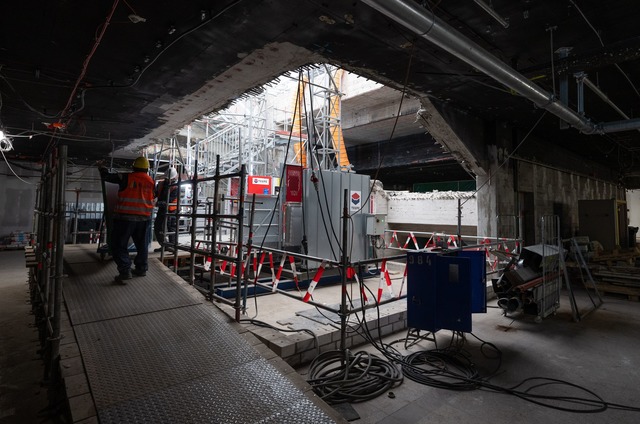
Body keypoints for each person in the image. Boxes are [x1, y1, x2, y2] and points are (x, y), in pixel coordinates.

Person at [99, 156, 155, 283]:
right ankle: (141, 269)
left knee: (118, 244)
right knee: (142, 245)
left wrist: (101, 167)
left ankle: (125, 271)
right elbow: (153, 196)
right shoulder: (151, 181)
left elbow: (106, 177)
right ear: (147, 169)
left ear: (134, 167)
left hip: (125, 218)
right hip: (144, 218)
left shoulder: (126, 177)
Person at [154, 167, 179, 252]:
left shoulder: (176, 187)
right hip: (162, 209)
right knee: (158, 227)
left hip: (172, 211)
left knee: (171, 228)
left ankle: (172, 247)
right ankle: (164, 245)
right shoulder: (161, 184)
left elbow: (169, 201)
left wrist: (157, 203)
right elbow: (156, 193)